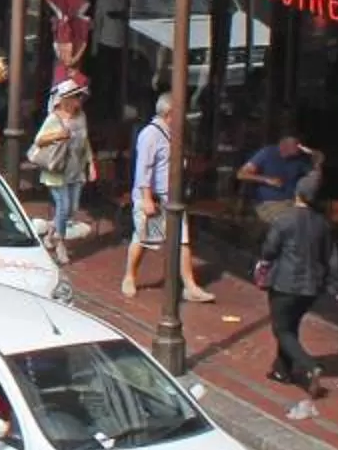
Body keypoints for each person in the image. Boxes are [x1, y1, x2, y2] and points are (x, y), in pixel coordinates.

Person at [257, 168, 338, 418]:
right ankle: (282, 371)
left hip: (285, 284)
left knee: (282, 329)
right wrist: (337, 286)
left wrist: (264, 262)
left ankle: (310, 367)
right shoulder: (322, 224)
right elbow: (331, 258)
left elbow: (269, 248)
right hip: (310, 288)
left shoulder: (284, 219)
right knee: (291, 325)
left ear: (297, 193)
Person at [122, 92, 215, 302]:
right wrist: (146, 198)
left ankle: (190, 286)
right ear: (169, 113)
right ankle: (130, 276)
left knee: (182, 241)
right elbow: (143, 168)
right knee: (145, 239)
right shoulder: (150, 134)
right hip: (154, 197)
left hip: (172, 197)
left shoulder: (175, 133)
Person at [24, 76, 95, 244]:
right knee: (63, 206)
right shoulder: (54, 118)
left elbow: (85, 141)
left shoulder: (81, 116)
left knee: (71, 209)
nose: (80, 100)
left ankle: (49, 236)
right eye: (77, 96)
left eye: (81, 96)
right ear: (67, 99)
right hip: (57, 170)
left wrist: (91, 164)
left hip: (76, 170)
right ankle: (60, 242)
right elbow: (39, 140)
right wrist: (58, 135)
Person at [236, 132, 325, 211]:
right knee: (294, 220)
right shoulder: (267, 153)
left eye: (300, 145)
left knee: (311, 219)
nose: (300, 147)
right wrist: (266, 179)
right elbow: (241, 174)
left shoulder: (300, 159)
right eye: (296, 144)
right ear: (283, 145)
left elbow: (313, 180)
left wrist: (318, 163)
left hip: (294, 203)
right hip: (269, 204)